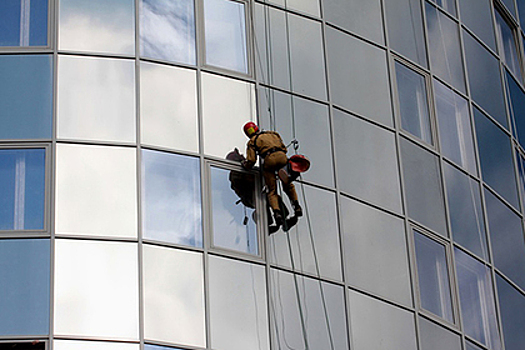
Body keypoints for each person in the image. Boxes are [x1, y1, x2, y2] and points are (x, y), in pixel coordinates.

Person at [241, 121, 302, 226]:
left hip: (269, 160)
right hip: (282, 157)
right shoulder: (273, 134)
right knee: (288, 185)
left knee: (272, 191)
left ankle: (277, 213)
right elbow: (284, 148)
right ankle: (296, 206)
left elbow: (251, 160)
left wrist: (244, 165)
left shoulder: (253, 141)